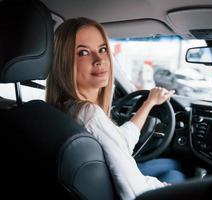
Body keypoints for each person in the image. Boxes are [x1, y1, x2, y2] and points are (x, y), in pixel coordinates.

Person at [46, 17, 185, 200]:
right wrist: (165, 188)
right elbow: (132, 190)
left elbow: (120, 142)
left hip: (104, 181)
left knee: (171, 163)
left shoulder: (63, 108)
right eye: (83, 53)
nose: (99, 60)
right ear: (63, 62)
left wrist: (149, 103)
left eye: (102, 49)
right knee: (177, 174)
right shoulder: (89, 113)